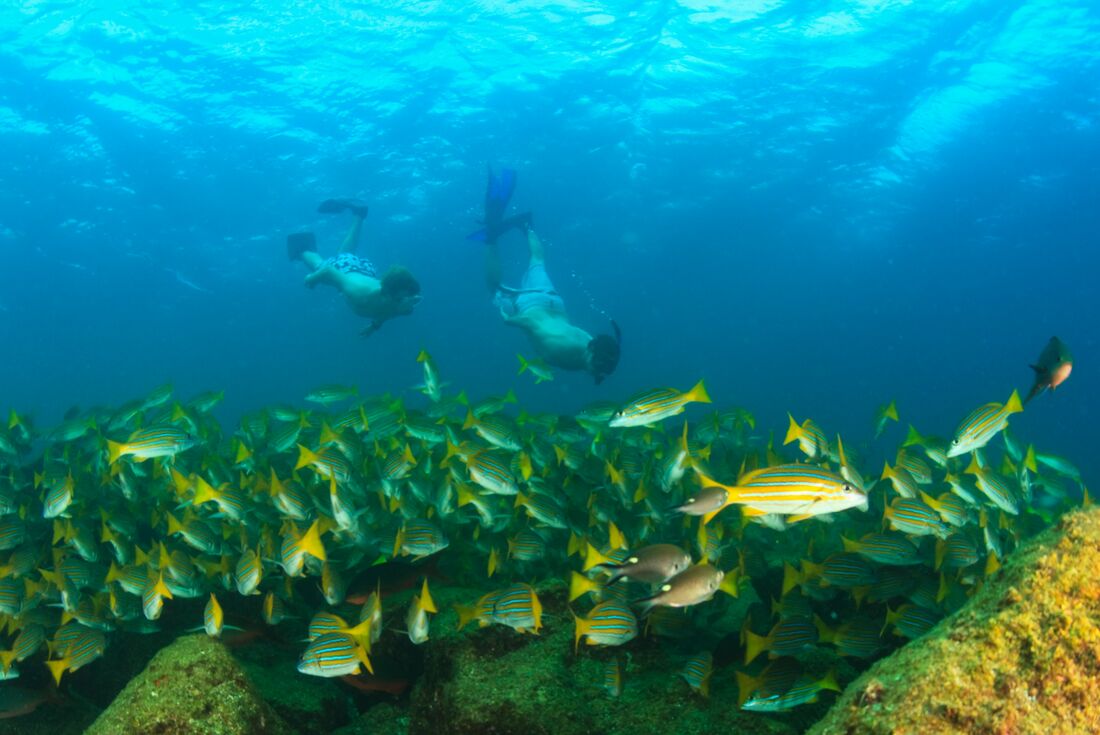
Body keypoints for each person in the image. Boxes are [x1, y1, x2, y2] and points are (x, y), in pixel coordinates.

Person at [474, 168, 621, 384]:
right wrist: (511, 320)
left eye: (603, 371)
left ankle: (526, 226)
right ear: (591, 354)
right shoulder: (561, 349)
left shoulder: (591, 344)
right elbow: (534, 325)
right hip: (530, 308)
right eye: (598, 367)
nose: (597, 373)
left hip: (551, 300)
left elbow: (596, 348)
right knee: (493, 287)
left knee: (537, 261)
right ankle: (491, 236)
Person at [288, 199, 421, 337]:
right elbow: (328, 271)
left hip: (366, 271)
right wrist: (311, 279)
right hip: (346, 271)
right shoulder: (360, 294)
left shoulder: (401, 303)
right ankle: (301, 247)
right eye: (406, 299)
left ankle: (359, 214)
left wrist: (375, 326)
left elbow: (388, 311)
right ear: (388, 295)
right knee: (319, 265)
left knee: (345, 254)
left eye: (415, 298)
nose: (412, 303)